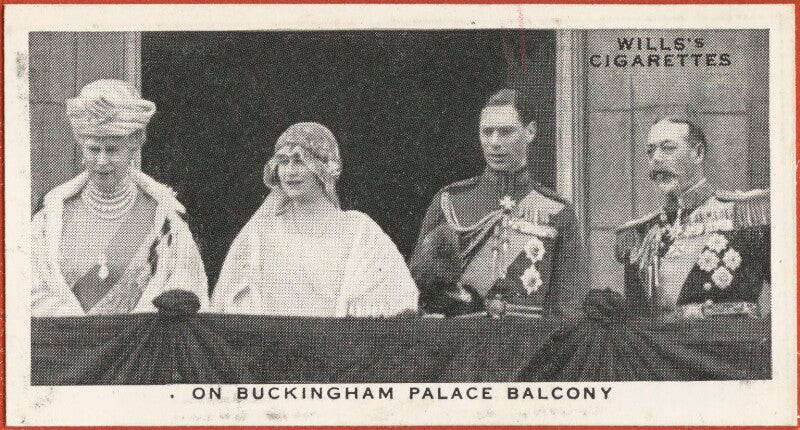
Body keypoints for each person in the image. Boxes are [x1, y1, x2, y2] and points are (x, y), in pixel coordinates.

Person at [31, 79, 209, 316]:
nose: (102, 161)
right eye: (94, 149)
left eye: (112, 149)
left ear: (133, 146)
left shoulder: (166, 220)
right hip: (69, 348)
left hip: (142, 349)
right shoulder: (50, 219)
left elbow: (188, 292)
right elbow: (28, 292)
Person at [409, 88, 586, 318]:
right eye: (487, 132)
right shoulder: (450, 202)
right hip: (462, 345)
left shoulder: (559, 212)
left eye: (505, 132)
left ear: (530, 131)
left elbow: (568, 308)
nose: (494, 142)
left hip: (532, 346)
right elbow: (420, 296)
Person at [212, 122, 418, 317]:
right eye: (283, 161)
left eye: (300, 161)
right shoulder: (260, 233)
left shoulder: (358, 230)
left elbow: (399, 298)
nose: (290, 171)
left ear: (323, 168)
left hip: (337, 348)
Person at [615, 116, 770, 320]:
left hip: (726, 348)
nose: (656, 158)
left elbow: (792, 295)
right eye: (650, 151)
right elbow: (637, 317)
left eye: (668, 148)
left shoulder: (747, 215)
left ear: (697, 153)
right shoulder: (641, 234)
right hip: (657, 349)